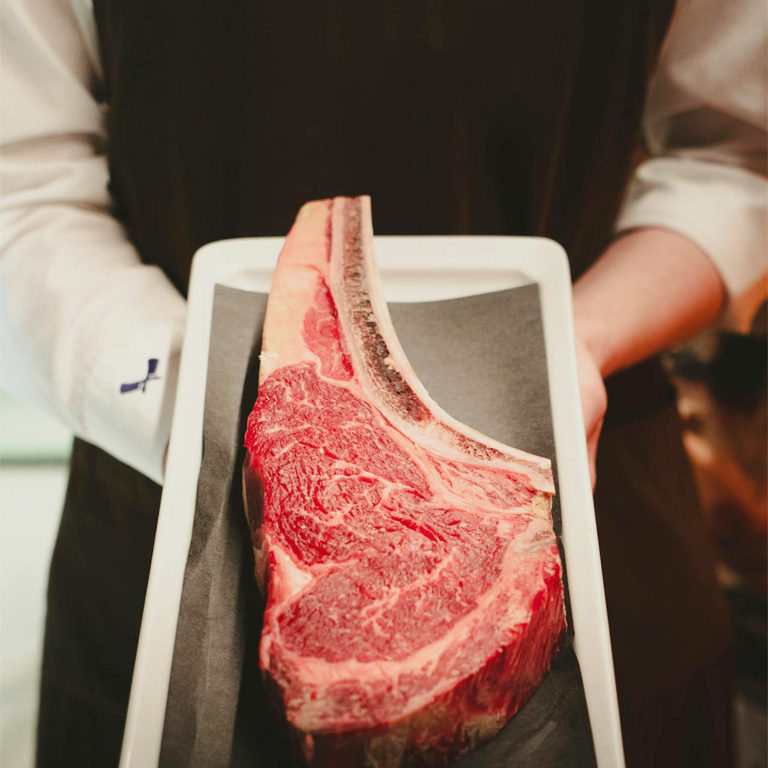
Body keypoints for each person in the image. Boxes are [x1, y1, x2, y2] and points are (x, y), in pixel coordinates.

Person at [1, 0, 765, 765]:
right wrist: (212, 400)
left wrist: (580, 340)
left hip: (586, 455)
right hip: (160, 467)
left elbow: (737, 158)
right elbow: (20, 187)